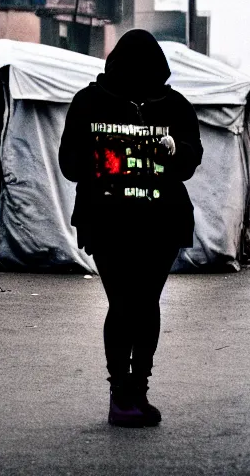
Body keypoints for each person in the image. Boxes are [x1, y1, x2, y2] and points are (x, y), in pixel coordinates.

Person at [58, 29, 203, 428]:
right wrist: (106, 156)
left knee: (132, 303)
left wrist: (175, 149)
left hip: (142, 222)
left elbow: (192, 158)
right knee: (132, 303)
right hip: (119, 222)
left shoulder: (169, 105)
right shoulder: (93, 101)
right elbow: (70, 162)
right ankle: (128, 391)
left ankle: (129, 391)